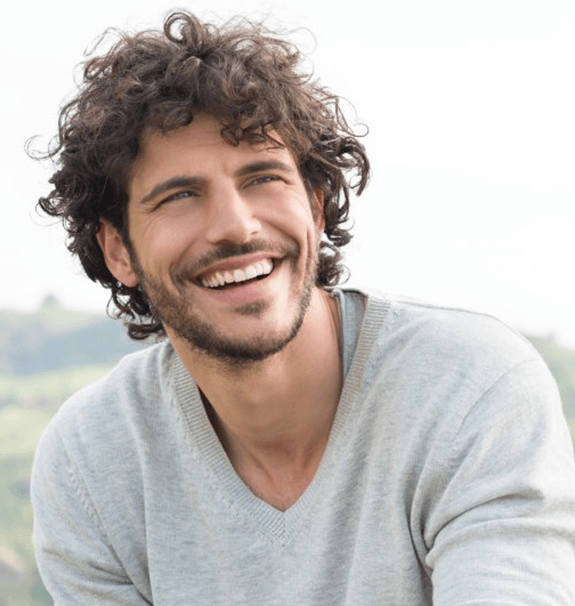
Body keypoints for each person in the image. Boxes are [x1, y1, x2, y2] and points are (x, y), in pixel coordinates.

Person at [30, 10, 575, 605]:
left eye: (263, 177)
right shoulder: (92, 462)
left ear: (316, 208)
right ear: (119, 251)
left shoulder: (469, 388)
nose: (236, 227)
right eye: (181, 195)